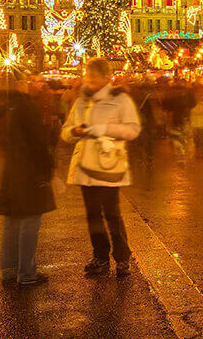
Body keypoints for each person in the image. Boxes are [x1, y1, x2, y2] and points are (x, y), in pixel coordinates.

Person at [61, 57, 141, 276]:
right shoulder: (81, 101)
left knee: (112, 213)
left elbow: (132, 130)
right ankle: (100, 256)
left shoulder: (120, 100)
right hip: (85, 166)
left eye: (94, 75)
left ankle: (123, 258)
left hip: (108, 165)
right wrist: (74, 132)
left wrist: (104, 129)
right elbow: (66, 130)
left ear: (107, 77)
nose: (90, 79)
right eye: (88, 75)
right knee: (93, 214)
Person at [0, 77, 56, 286]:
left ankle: (9, 269)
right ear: (20, 84)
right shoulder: (25, 107)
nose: (35, 84)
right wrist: (47, 168)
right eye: (29, 80)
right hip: (28, 170)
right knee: (29, 222)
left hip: (11, 169)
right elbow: (37, 143)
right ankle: (27, 272)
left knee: (12, 222)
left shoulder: (3, 105)